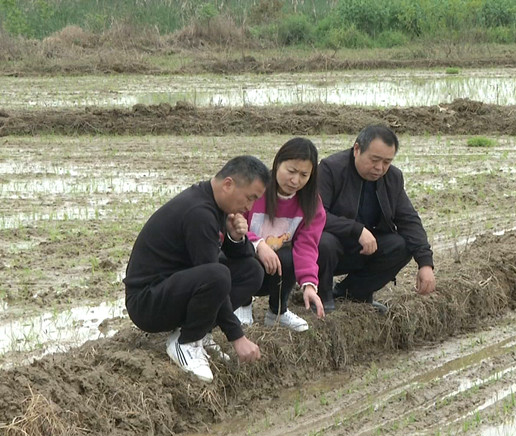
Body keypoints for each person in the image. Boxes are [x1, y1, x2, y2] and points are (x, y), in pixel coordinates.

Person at [124, 155, 269, 382]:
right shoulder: (199, 212)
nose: (249, 207)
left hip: (173, 287)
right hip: (147, 303)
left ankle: (199, 331)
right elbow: (212, 275)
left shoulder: (214, 203)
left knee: (251, 270)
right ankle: (186, 342)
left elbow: (232, 262)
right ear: (228, 184)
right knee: (218, 274)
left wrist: (235, 237)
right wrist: (237, 337)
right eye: (250, 198)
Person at [317, 125, 436, 313]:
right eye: (374, 160)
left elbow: (409, 220)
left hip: (364, 249)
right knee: (325, 242)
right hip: (328, 250)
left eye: (387, 162)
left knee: (400, 244)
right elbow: (316, 216)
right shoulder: (330, 169)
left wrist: (425, 262)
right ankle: (322, 295)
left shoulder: (393, 177)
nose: (380, 168)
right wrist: (356, 230)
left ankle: (353, 293)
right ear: (357, 149)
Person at [233, 138, 327, 332]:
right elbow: (233, 221)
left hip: (274, 269)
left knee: (289, 255)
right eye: (291, 171)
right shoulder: (257, 188)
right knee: (240, 250)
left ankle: (277, 311)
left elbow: (307, 245)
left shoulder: (311, 204)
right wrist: (258, 244)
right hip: (243, 263)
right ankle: (243, 304)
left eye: (304, 174)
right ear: (277, 164)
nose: (295, 180)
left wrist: (309, 284)